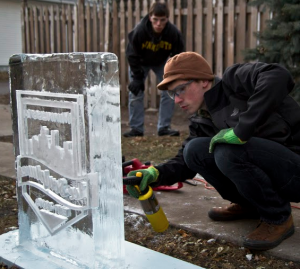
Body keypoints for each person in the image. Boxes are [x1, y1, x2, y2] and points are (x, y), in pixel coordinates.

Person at [125, 51, 300, 251]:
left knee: (227, 150)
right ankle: (250, 205)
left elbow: (278, 75)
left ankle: (277, 218)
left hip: (294, 168)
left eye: (180, 89)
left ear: (204, 81)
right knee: (194, 150)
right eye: (172, 94)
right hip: (274, 174)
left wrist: (242, 130)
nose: (176, 99)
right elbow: (184, 162)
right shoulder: (202, 119)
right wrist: (155, 174)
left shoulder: (235, 81)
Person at [123, 2, 185, 137]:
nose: (158, 24)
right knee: (135, 92)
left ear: (167, 19)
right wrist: (137, 78)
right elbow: (131, 54)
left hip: (161, 62)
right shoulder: (140, 30)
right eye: (155, 19)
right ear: (150, 17)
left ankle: (164, 128)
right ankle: (136, 129)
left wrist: (173, 74)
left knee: (169, 90)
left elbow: (178, 55)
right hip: (140, 63)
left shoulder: (173, 33)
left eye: (162, 20)